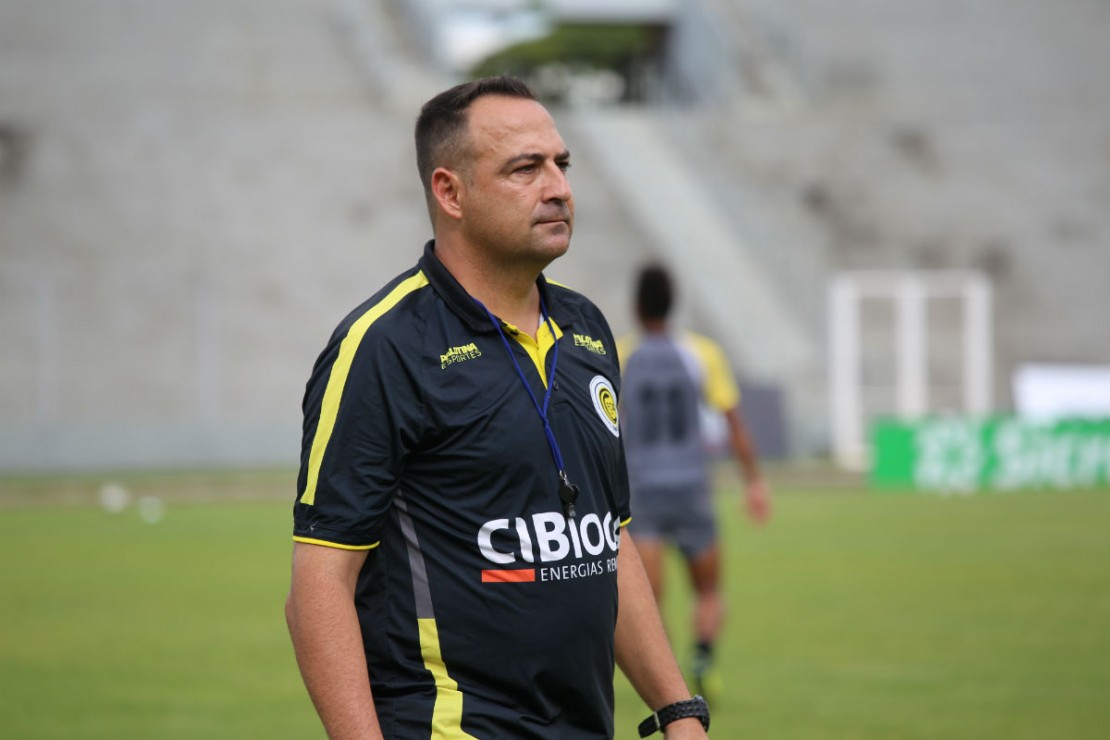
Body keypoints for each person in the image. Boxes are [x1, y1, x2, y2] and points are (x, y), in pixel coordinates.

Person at [285, 76, 710, 739]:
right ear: (450, 192)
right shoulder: (384, 347)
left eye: (562, 164)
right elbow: (319, 586)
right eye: (525, 168)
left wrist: (677, 709)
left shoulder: (587, 329)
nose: (559, 187)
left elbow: (605, 539)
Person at [617, 263, 771, 702]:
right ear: (673, 305)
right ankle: (702, 656)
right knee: (708, 592)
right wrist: (754, 482)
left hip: (641, 491)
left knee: (648, 601)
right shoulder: (702, 353)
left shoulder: (620, 354)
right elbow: (734, 423)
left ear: (636, 306)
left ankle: (667, 683)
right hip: (690, 489)